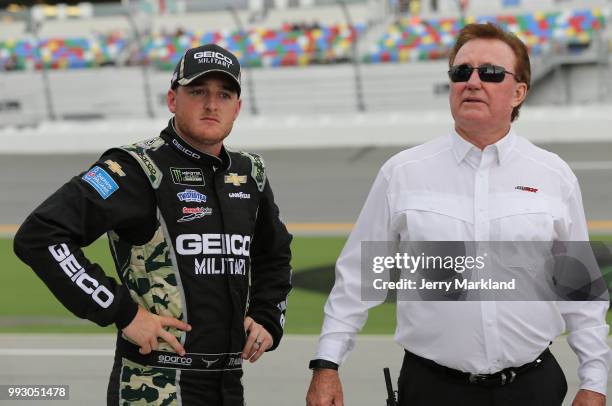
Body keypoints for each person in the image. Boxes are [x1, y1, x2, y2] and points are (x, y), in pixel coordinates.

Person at [306, 23, 609, 406]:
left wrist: (595, 379)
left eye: (491, 72)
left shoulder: (554, 175)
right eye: (461, 72)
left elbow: (580, 292)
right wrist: (326, 365)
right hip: (433, 388)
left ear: (519, 93)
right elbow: (357, 279)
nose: (473, 81)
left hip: (532, 388)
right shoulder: (402, 173)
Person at [13, 43, 292, 405]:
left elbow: (275, 253)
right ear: (173, 100)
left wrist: (268, 316)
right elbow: (40, 236)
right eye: (197, 92)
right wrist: (122, 312)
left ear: (237, 107)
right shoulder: (134, 169)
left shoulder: (249, 173)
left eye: (224, 94)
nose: (211, 104)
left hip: (227, 385)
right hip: (153, 386)